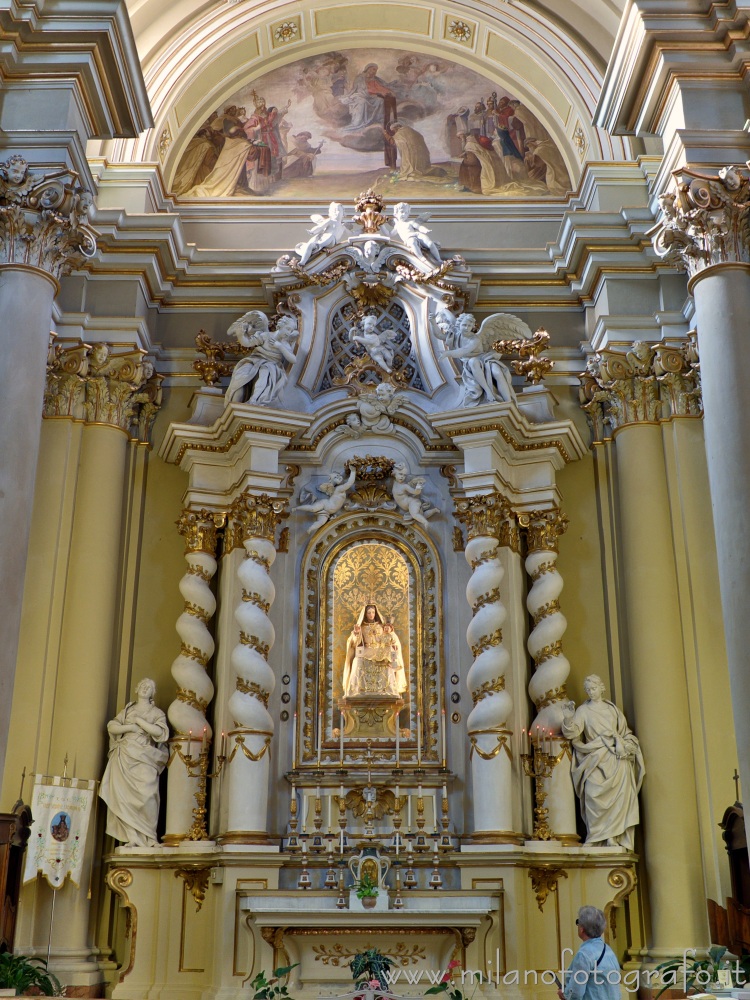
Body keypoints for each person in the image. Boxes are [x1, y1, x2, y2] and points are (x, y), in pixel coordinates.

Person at [562, 675, 645, 850]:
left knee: (619, 799)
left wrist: (628, 745)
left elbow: (625, 733)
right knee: (592, 794)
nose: (591, 692)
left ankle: (613, 837)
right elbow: (572, 733)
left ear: (602, 688)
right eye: (588, 690)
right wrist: (569, 719)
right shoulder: (583, 711)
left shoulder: (612, 710)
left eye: (594, 688)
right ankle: (596, 835)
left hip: (615, 759)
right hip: (595, 758)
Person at [100, 678, 169, 847]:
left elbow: (160, 733)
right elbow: (112, 727)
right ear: (137, 689)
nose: (146, 688)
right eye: (143, 685)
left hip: (145, 757)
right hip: (125, 754)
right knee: (124, 798)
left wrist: (139, 722)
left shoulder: (157, 713)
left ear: (153, 693)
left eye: (150, 687)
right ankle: (133, 838)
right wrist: (130, 728)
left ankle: (150, 836)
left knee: (148, 794)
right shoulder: (127, 710)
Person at [558, 906, 621, 1000]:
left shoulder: (584, 955)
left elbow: (576, 993)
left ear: (582, 928)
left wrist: (565, 995)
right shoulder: (608, 950)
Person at [343, 604, 405, 698]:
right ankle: (357, 690)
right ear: (365, 614)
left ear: (375, 613)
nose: (371, 614)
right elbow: (355, 643)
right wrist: (356, 633)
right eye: (369, 613)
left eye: (373, 612)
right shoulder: (362, 627)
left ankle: (388, 690)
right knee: (357, 661)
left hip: (380, 651)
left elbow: (391, 638)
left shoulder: (381, 626)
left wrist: (392, 644)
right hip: (366, 651)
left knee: (389, 663)